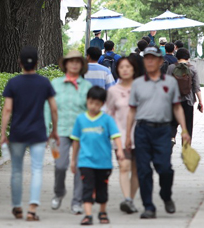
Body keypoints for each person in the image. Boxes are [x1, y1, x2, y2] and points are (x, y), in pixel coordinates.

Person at [125, 46, 191, 219]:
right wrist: (127, 135)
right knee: (143, 170)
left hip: (163, 130)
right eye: (147, 58)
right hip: (142, 131)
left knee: (165, 168)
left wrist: (184, 130)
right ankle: (148, 206)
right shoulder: (138, 83)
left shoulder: (169, 82)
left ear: (161, 61)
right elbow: (132, 110)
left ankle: (166, 195)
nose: (150, 61)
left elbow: (177, 107)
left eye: (154, 58)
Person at [0, 46, 59, 222]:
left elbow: (8, 109)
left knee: (16, 171)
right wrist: (54, 130)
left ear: (20, 63)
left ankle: (17, 206)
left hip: (18, 132)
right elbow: (54, 109)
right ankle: (32, 208)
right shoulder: (44, 83)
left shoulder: (13, 83)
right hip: (38, 133)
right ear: (38, 63)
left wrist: (3, 132)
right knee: (36, 169)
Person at [46, 50, 92, 215]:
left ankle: (77, 201)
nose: (74, 64)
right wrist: (47, 130)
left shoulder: (87, 87)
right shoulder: (55, 84)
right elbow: (47, 108)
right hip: (61, 132)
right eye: (70, 61)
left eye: (77, 61)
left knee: (80, 167)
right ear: (65, 64)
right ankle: (59, 193)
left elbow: (92, 111)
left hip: (83, 133)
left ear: (81, 65)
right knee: (60, 165)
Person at [71, 86, 124, 226]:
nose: (94, 106)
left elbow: (116, 136)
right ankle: (88, 215)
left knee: (102, 189)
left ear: (102, 104)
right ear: (87, 101)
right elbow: (76, 141)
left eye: (97, 104)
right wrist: (73, 160)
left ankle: (102, 211)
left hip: (103, 162)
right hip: (85, 161)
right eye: (91, 103)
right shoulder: (80, 119)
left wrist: (119, 150)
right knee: (87, 188)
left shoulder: (107, 120)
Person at [106, 55, 140, 215]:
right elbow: (109, 114)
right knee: (124, 167)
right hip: (120, 136)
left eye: (128, 67)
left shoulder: (141, 88)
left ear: (133, 69)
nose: (125, 70)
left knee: (137, 170)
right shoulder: (113, 91)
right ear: (117, 70)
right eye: (121, 67)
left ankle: (130, 200)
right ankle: (127, 199)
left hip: (140, 136)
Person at [167, 48, 203, 144]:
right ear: (188, 57)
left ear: (176, 56)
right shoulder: (192, 68)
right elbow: (196, 87)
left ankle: (171, 137)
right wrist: (200, 102)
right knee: (187, 125)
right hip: (188, 101)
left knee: (172, 123)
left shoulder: (171, 68)